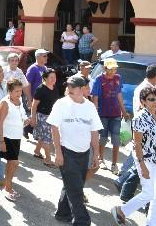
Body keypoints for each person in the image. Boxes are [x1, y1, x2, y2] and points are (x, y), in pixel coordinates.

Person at [47, 75, 102, 225]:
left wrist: (96, 154)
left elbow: (94, 132)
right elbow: (54, 127)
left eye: (74, 86)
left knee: (72, 184)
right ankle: (82, 221)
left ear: (83, 89)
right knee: (76, 190)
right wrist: (58, 152)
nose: (70, 89)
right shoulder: (61, 104)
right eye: (69, 86)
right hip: (67, 151)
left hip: (84, 153)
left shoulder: (90, 106)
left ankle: (62, 213)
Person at [111, 87, 156, 226]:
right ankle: (121, 210)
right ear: (143, 101)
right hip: (145, 159)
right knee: (148, 193)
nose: (155, 102)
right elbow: (137, 144)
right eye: (151, 99)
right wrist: (142, 166)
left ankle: (152, 223)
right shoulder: (140, 117)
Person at [91, 57, 129, 175]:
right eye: (110, 69)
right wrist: (96, 113)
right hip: (102, 113)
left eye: (114, 69)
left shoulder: (118, 78)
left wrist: (124, 111)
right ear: (105, 68)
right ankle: (101, 159)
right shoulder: (99, 79)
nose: (113, 71)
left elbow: (119, 95)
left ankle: (114, 164)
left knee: (116, 139)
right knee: (102, 138)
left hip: (116, 113)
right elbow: (95, 98)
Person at [0, 79, 28, 201]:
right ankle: (7, 188)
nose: (19, 93)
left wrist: (26, 120)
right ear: (9, 91)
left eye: (20, 91)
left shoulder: (19, 100)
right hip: (7, 137)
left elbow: (22, 114)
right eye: (16, 91)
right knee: (13, 163)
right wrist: (1, 141)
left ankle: (7, 186)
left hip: (16, 137)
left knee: (12, 163)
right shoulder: (4, 103)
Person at [31, 68, 59, 167]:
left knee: (44, 136)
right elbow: (34, 105)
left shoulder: (54, 87)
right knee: (47, 138)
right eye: (51, 77)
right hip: (43, 117)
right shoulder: (40, 89)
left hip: (52, 116)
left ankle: (37, 151)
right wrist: (33, 118)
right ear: (45, 78)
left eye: (54, 77)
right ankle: (48, 160)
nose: (53, 79)